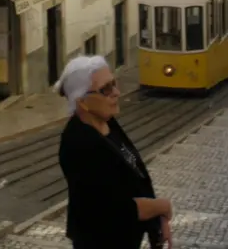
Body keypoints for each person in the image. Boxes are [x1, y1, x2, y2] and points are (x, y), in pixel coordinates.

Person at [57, 55, 173, 249]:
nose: (117, 93)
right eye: (106, 89)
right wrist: (162, 207)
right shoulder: (80, 144)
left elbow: (137, 173)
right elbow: (116, 210)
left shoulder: (107, 122)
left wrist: (157, 223)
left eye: (114, 84)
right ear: (82, 102)